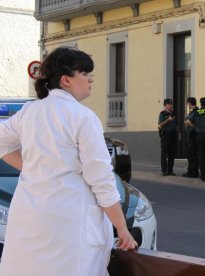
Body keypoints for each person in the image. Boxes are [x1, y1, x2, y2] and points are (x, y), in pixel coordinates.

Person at [0, 47, 137, 276]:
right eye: (84, 73)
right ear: (66, 80)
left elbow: (2, 144)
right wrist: (122, 229)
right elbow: (101, 180)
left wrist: (35, 168)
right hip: (69, 223)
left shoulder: (29, 112)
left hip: (29, 219)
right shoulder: (83, 117)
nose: (91, 79)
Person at [158, 98, 178, 176]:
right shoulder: (162, 114)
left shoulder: (173, 113)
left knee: (171, 154)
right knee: (164, 153)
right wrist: (168, 120)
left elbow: (176, 124)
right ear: (165, 105)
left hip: (173, 135)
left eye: (171, 104)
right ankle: (164, 170)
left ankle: (170, 170)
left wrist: (178, 132)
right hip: (165, 134)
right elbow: (160, 125)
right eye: (169, 104)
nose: (171, 105)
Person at [183, 97, 199, 178]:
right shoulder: (191, 112)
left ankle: (194, 172)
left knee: (193, 154)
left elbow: (196, 125)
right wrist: (187, 123)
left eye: (188, 103)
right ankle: (189, 171)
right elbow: (186, 122)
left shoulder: (197, 112)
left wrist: (189, 123)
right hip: (189, 135)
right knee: (189, 155)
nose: (187, 105)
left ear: (190, 103)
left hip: (194, 135)